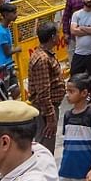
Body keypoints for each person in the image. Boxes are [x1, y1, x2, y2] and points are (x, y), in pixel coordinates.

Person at [26, 23, 66, 153]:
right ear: (53, 37)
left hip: (48, 108)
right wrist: (50, 117)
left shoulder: (45, 55)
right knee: (44, 148)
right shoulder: (42, 59)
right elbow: (43, 92)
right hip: (45, 110)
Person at [0, 3, 18, 72]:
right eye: (14, 13)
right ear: (6, 14)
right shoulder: (2, 32)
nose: (16, 15)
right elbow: (7, 52)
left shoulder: (4, 27)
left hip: (4, 65)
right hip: (3, 67)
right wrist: (18, 49)